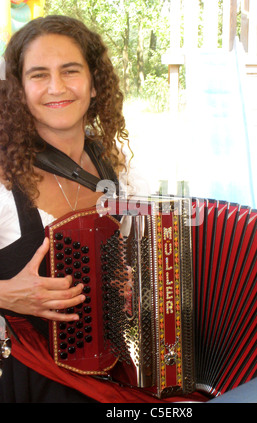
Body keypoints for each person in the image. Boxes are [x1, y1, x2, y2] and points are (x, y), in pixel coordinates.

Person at [0, 14, 164, 404]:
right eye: (38, 74)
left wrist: (133, 285)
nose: (57, 87)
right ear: (19, 90)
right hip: (23, 378)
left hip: (109, 372)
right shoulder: (3, 178)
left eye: (70, 71)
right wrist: (5, 293)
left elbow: (140, 269)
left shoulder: (120, 168)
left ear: (93, 85)